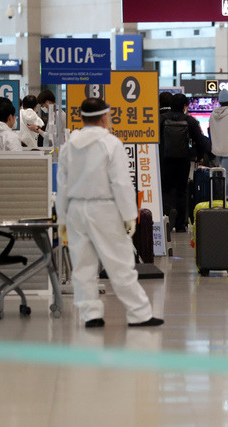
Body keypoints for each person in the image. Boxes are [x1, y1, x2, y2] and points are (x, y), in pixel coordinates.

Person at [56, 98, 164, 328]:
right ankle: (139, 314)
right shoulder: (111, 143)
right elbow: (121, 183)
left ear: (82, 118)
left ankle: (90, 315)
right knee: (120, 263)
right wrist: (129, 214)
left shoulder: (69, 145)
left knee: (83, 266)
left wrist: (62, 218)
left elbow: (62, 184)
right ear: (105, 117)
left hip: (75, 209)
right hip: (104, 208)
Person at [161, 93, 211, 232]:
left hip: (165, 161)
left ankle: (166, 219)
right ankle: (180, 224)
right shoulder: (190, 121)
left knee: (165, 190)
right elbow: (201, 142)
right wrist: (200, 156)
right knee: (182, 191)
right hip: (183, 162)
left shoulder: (161, 119)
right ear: (184, 106)